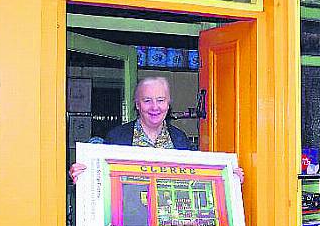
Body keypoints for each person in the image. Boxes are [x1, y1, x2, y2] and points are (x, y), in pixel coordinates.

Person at [70, 76, 243, 182]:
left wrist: (227, 177)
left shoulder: (180, 139)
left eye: (160, 100)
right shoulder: (116, 137)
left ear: (168, 105)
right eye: (147, 101)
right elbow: (100, 179)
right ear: (138, 105)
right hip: (129, 219)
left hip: (169, 223)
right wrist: (82, 175)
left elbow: (195, 178)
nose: (155, 107)